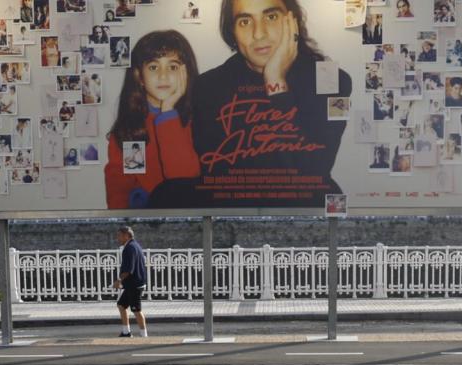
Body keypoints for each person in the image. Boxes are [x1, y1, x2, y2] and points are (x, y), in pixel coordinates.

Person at [170, 0, 354, 208]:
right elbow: (219, 175)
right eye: (245, 21)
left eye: (271, 17)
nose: (259, 34)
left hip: (308, 218)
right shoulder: (207, 88)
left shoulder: (334, 83)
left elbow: (313, 172)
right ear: (232, 31)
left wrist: (276, 82)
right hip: (234, 221)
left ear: (292, 21)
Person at [104, 30, 202, 209]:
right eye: (153, 67)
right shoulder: (133, 129)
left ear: (186, 73)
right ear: (139, 76)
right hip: (147, 225)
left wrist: (168, 114)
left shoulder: (198, 121)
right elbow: (120, 187)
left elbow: (182, 178)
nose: (163, 76)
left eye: (172, 67)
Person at [115, 224, 149, 337]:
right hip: (134, 284)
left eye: (119, 236)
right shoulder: (135, 246)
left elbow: (129, 269)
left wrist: (119, 280)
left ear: (126, 235)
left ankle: (144, 335)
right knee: (121, 305)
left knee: (136, 310)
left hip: (134, 285)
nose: (117, 238)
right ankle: (126, 332)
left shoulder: (129, 248)